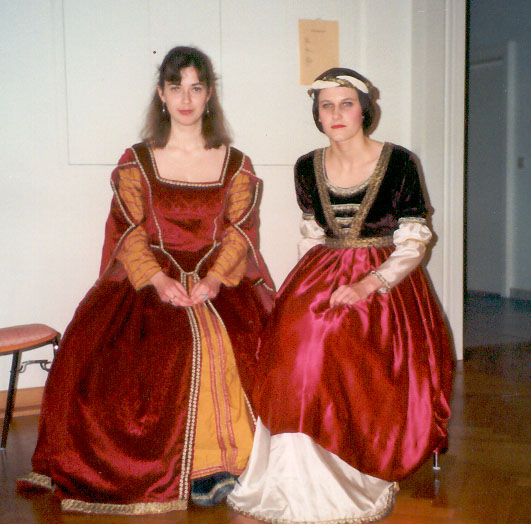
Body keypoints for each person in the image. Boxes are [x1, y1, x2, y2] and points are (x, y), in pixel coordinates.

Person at [18, 46, 275, 515]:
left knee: (225, 344)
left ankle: (229, 466)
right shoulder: (137, 160)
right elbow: (127, 229)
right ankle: (189, 472)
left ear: (209, 94)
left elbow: (240, 231)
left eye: (196, 88)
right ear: (161, 93)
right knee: (157, 353)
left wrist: (215, 280)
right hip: (150, 282)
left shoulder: (236, 162)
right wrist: (156, 279)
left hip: (219, 280)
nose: (186, 99)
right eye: (176, 87)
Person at [227, 68, 454, 523]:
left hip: (386, 279)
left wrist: (371, 284)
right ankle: (292, 474)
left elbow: (414, 239)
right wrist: (304, 289)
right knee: (292, 344)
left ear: (364, 109)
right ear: (317, 113)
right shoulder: (306, 166)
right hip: (322, 272)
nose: (336, 114)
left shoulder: (399, 162)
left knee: (335, 343)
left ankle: (352, 466)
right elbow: (312, 234)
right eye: (326, 105)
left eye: (346, 104)